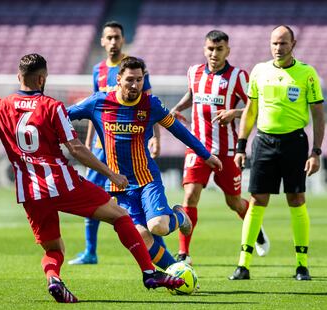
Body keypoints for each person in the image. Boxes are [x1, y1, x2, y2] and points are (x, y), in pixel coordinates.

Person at [0, 53, 186, 303]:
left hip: (29, 192)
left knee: (54, 249)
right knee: (119, 215)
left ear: (19, 76)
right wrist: (110, 174)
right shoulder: (52, 106)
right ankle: (149, 273)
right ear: (42, 79)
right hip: (62, 183)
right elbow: (76, 149)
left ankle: (53, 279)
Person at [68, 56, 223, 271]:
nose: (135, 85)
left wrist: (205, 155)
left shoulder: (151, 105)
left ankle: (179, 215)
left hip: (147, 179)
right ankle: (176, 273)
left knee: (157, 226)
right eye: (130, 80)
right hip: (119, 186)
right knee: (141, 236)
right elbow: (63, 115)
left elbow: (179, 131)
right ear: (119, 79)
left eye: (139, 80)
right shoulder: (98, 102)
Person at [229, 25, 325, 281]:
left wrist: (316, 152)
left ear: (293, 44)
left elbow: (318, 114)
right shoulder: (260, 71)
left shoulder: (307, 73)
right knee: (258, 200)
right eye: (274, 43)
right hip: (264, 142)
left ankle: (302, 265)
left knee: (296, 199)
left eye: (283, 43)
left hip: (295, 143)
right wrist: (241, 145)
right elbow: (250, 110)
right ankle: (243, 264)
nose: (278, 48)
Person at [170, 30, 270, 264]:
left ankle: (256, 228)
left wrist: (234, 113)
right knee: (190, 195)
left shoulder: (238, 76)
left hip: (227, 151)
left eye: (219, 49)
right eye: (210, 49)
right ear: (205, 49)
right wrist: (177, 108)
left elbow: (256, 107)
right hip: (197, 147)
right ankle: (184, 254)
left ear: (228, 50)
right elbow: (193, 94)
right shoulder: (193, 71)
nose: (214, 54)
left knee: (233, 202)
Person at [68, 21, 161, 265]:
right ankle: (90, 251)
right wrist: (88, 144)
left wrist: (155, 139)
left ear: (123, 40)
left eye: (117, 37)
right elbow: (93, 109)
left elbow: (150, 105)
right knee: (91, 195)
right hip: (100, 148)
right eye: (108, 37)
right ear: (102, 40)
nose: (112, 42)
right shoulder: (97, 69)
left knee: (139, 205)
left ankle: (157, 247)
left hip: (128, 146)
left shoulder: (133, 68)